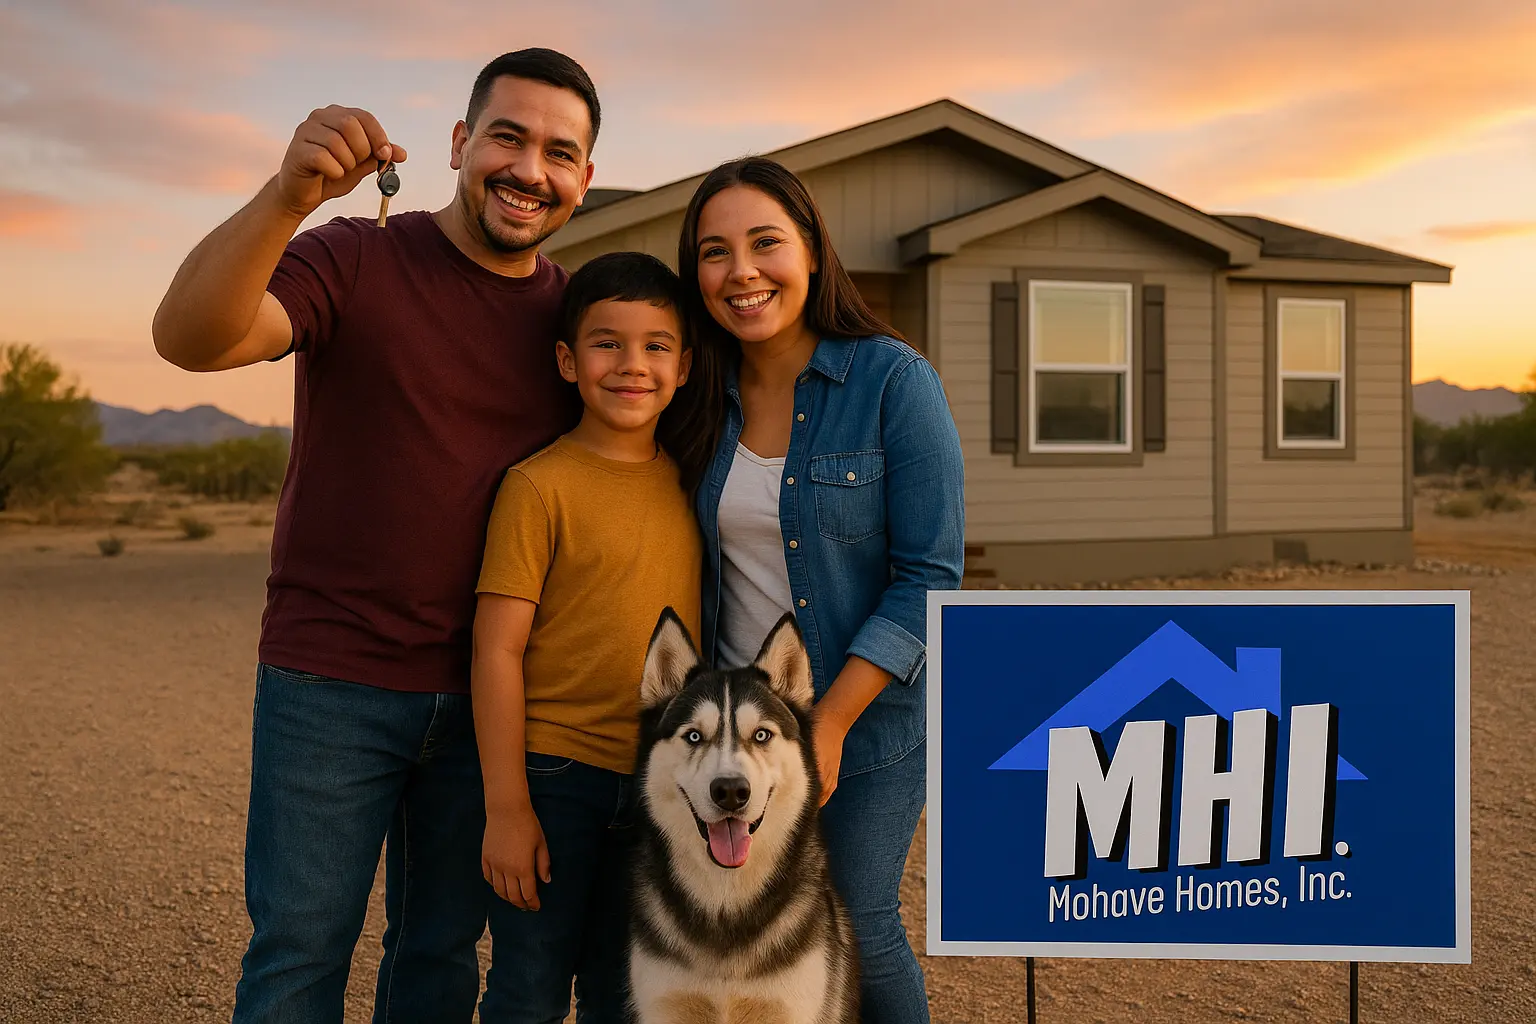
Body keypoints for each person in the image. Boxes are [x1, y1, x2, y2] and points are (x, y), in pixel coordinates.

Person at [150, 48, 602, 1023]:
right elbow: (188, 338)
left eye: (559, 152)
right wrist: (286, 198)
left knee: (438, 958)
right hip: (331, 683)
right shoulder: (354, 254)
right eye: (509, 137)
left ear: (585, 179)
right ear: (459, 142)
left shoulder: (574, 321)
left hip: (489, 697)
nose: (531, 169)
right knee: (298, 958)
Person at [676, 157, 965, 1023]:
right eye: (714, 252)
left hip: (865, 720)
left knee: (854, 920)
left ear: (811, 249)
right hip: (733, 725)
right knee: (739, 931)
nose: (742, 272)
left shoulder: (893, 382)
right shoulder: (696, 391)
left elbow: (930, 579)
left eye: (766, 242)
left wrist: (826, 725)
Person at [471, 251, 704, 1023]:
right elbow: (496, 648)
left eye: (655, 346)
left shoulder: (695, 483)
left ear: (685, 365)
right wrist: (507, 807)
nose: (631, 365)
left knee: (628, 991)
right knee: (529, 987)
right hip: (553, 776)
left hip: (661, 784)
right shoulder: (538, 486)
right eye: (607, 343)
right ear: (568, 361)